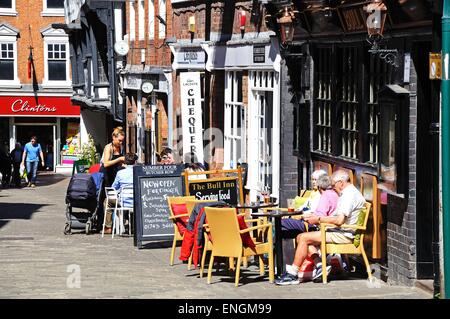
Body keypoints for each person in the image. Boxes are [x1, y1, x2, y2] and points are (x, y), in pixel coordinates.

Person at [275, 170, 366, 285]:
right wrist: (315, 217)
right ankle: (319, 266)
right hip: (340, 231)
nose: (333, 188)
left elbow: (339, 220)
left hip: (344, 234)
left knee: (303, 238)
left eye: (333, 185)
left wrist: (318, 220)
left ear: (341, 183)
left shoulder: (349, 195)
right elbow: (336, 217)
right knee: (301, 237)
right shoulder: (349, 193)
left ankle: (293, 274)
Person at [281, 174, 339, 239]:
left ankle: (271, 246)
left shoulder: (325, 196)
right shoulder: (335, 194)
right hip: (324, 225)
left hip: (315, 226)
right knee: (285, 231)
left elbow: (319, 216)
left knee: (281, 223)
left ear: (319, 187)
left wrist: (303, 217)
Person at [103, 153, 138, 234]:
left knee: (107, 201)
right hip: (137, 201)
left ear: (125, 162)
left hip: (123, 202)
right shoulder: (138, 172)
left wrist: (120, 190)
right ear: (135, 162)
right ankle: (133, 226)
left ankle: (108, 227)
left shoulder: (120, 173)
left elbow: (113, 187)